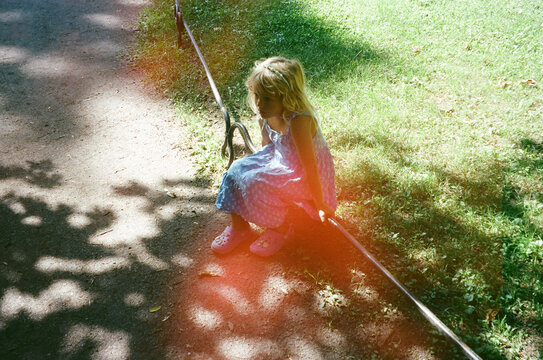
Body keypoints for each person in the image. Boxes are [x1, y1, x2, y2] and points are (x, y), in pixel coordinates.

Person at [212, 56, 336, 256]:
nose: (259, 103)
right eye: (257, 95)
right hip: (278, 158)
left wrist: (320, 202)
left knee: (260, 182)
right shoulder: (266, 113)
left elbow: (310, 166)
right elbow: (267, 145)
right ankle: (240, 228)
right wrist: (257, 166)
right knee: (235, 171)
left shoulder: (298, 121)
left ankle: (279, 229)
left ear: (286, 97)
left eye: (267, 98)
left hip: (302, 173)